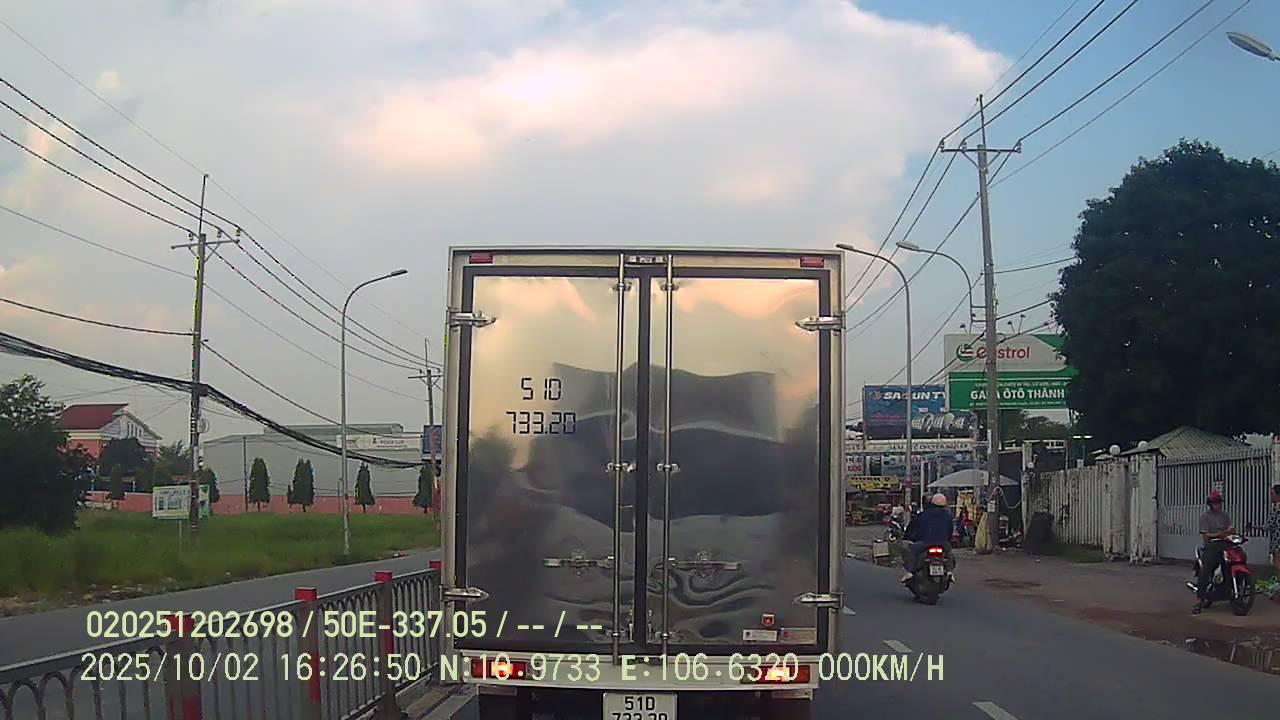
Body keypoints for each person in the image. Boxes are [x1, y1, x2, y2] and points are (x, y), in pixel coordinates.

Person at [1192, 488, 1235, 614]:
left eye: (1219, 502)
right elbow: (1206, 536)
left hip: (1225, 544)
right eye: (1215, 503)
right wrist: (1219, 534)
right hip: (1212, 545)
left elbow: (1229, 529)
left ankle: (1233, 588)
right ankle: (1200, 599)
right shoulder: (1205, 517)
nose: (1217, 505)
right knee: (1206, 568)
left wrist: (1231, 532)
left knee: (1234, 561)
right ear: (1210, 504)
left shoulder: (1224, 515)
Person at [901, 493, 953, 582]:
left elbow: (918, 529)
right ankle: (949, 572)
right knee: (949, 553)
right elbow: (950, 531)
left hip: (926, 542)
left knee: (911, 550)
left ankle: (909, 572)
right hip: (943, 543)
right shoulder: (947, 516)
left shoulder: (924, 514)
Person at [1268, 484, 1280, 576]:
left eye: (1272, 494)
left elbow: (1269, 525)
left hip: (1277, 542)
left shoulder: (1277, 509)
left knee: (1277, 564)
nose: (1271, 496)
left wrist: (1253, 527)